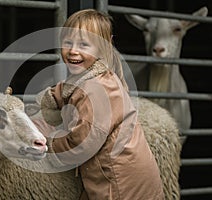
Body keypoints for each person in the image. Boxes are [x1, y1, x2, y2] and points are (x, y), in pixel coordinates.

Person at [33, 9, 164, 200]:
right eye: (67, 42)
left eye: (84, 44)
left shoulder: (97, 90)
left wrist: (48, 141)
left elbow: (81, 145)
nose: (73, 50)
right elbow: (72, 88)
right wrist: (53, 96)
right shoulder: (94, 76)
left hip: (121, 186)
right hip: (124, 177)